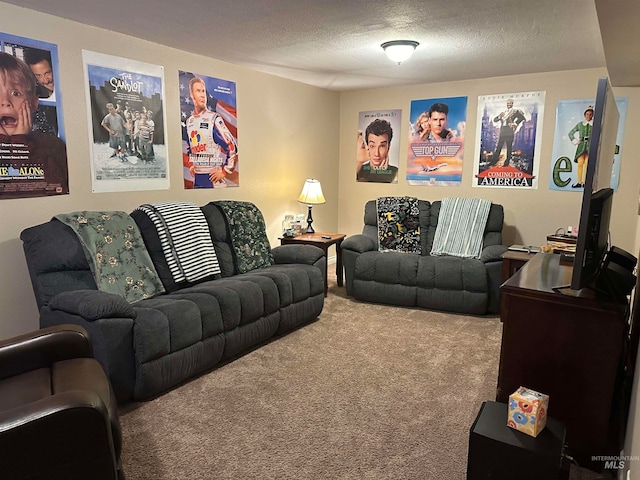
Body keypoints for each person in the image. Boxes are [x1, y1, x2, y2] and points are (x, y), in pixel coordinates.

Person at [0, 52, 68, 197]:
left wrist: (19, 143)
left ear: (33, 103)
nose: (5, 102)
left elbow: (54, 192)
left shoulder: (52, 146)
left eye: (15, 93)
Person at [186, 76, 238, 188]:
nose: (202, 95)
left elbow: (232, 146)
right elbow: (191, 146)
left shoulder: (213, 118)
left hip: (213, 179)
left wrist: (225, 171)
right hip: (198, 179)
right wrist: (191, 164)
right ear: (192, 95)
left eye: (203, 91)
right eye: (198, 91)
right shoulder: (189, 121)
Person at [356, 118, 397, 183]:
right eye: (372, 146)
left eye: (382, 146)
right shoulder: (358, 171)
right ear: (367, 146)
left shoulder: (396, 173)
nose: (376, 153)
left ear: (388, 147)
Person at [490, 98, 526, 166]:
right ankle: (493, 161)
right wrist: (499, 116)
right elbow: (495, 120)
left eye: (510, 103)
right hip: (503, 130)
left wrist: (514, 123)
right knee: (498, 147)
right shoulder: (503, 112)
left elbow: (522, 117)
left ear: (512, 104)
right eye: (508, 103)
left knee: (509, 147)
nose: (509, 104)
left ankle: (507, 162)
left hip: (509, 131)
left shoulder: (515, 111)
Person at [567, 105, 594, 188]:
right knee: (580, 163)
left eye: (590, 114)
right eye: (587, 114)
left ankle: (586, 182)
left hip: (590, 146)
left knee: (586, 164)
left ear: (592, 115)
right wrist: (575, 141)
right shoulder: (580, 124)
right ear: (584, 115)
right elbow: (570, 133)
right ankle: (579, 182)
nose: (588, 116)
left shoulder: (595, 125)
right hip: (581, 146)